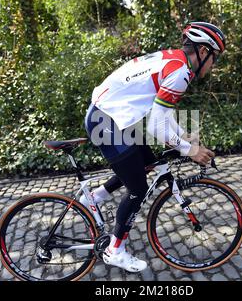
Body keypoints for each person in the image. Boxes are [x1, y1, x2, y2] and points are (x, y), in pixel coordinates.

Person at [82, 22, 226, 272]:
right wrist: (190, 150)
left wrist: (184, 136)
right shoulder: (180, 72)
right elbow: (156, 129)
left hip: (114, 116)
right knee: (138, 189)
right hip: (105, 119)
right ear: (203, 52)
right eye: (215, 58)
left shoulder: (176, 61)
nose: (213, 65)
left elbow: (162, 115)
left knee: (147, 163)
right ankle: (114, 250)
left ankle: (96, 196)